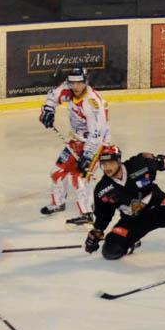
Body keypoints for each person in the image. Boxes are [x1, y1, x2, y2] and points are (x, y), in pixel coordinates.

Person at [84, 145, 165, 260]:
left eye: (111, 163)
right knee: (110, 252)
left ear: (119, 160)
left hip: (159, 208)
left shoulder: (138, 164)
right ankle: (132, 242)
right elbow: (103, 215)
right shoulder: (102, 189)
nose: (107, 167)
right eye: (104, 164)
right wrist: (96, 233)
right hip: (132, 220)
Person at [38, 66, 111, 228]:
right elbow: (53, 95)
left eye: (79, 83)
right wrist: (48, 110)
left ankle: (87, 213)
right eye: (72, 83)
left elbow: (97, 134)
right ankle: (58, 203)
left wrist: (88, 155)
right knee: (56, 172)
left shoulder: (92, 103)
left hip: (97, 145)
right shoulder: (69, 87)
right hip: (77, 142)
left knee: (80, 177)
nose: (76, 87)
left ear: (86, 82)